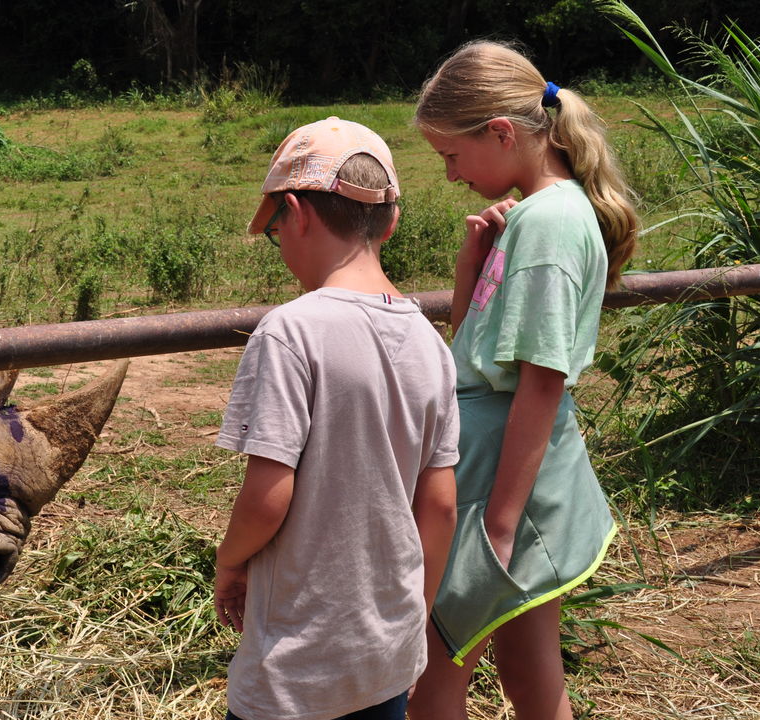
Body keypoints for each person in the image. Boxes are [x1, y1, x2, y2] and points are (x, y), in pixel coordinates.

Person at [409, 41, 640, 720]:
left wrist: (499, 528)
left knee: (431, 677)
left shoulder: (547, 226)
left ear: (503, 133)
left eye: (452, 157)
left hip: (502, 492)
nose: (450, 175)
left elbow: (542, 381)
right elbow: (479, 349)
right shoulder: (537, 218)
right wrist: (470, 269)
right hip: (509, 476)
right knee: (529, 669)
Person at [213, 116, 460, 720]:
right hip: (386, 657)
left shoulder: (290, 333)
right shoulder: (432, 344)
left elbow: (268, 497)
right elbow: (442, 506)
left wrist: (229, 562)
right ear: (391, 222)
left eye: (274, 231)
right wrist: (413, 615)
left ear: (294, 212)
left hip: (297, 665)